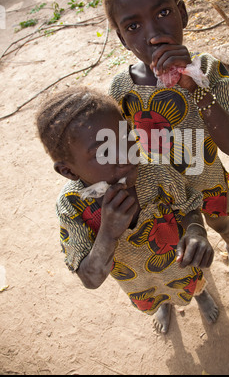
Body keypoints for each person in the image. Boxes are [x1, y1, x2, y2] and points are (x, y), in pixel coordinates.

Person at [101, 0, 229, 282]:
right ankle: (188, 286)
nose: (153, 36)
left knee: (220, 222)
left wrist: (193, 86)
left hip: (208, 180)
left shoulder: (209, 70)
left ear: (182, 12)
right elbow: (124, 154)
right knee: (180, 249)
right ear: (122, 38)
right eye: (133, 26)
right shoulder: (122, 90)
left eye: (163, 13)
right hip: (162, 195)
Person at [36, 86, 219, 334]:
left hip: (179, 265)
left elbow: (188, 205)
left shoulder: (154, 168)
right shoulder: (72, 206)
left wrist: (196, 231)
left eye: (126, 137)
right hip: (139, 282)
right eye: (104, 152)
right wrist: (108, 233)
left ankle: (200, 293)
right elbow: (90, 278)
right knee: (157, 297)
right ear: (69, 171)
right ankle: (164, 306)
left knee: (191, 283)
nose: (126, 156)